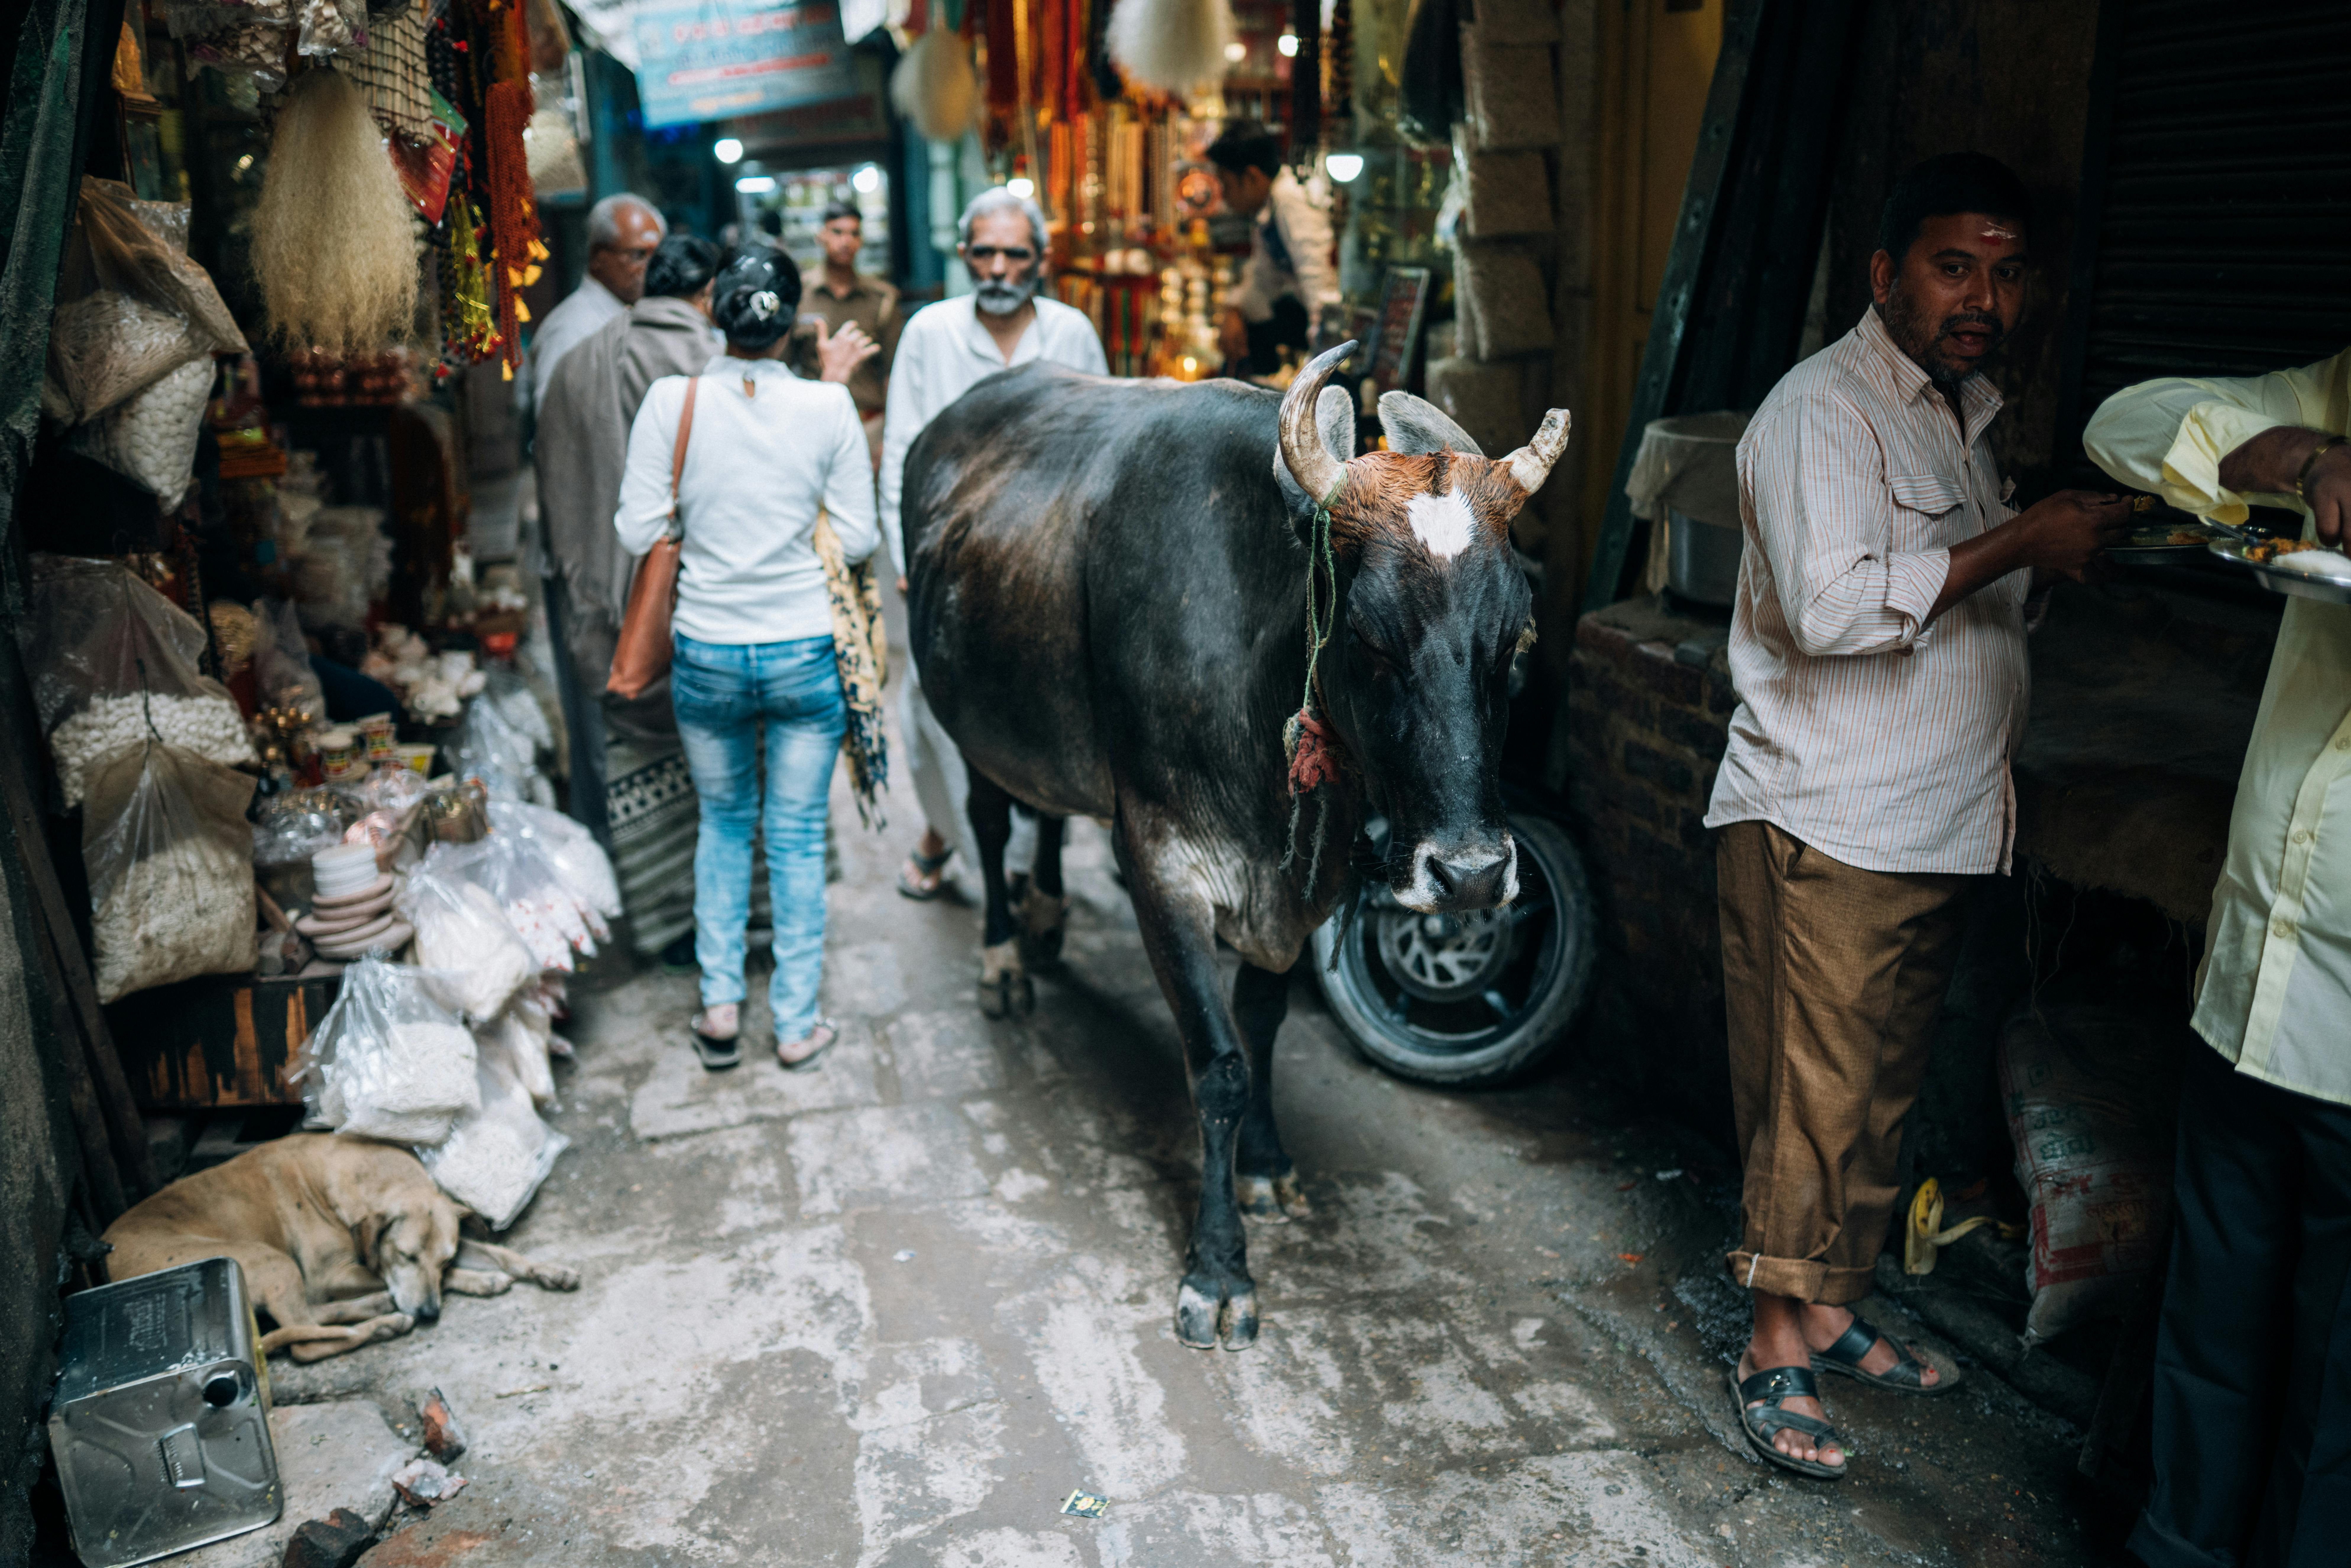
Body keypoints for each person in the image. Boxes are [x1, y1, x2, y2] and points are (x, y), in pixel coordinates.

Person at [1702, 153, 2131, 1478]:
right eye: (1954, 267)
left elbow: (1960, 604)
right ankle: (1773, 1349)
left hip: (1929, 821)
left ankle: (1831, 1311)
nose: (1982, 299)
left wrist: (2042, 559)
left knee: (1875, 1097)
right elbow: (1836, 613)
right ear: (1884, 274)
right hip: (1823, 821)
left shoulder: (1955, 414)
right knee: (1810, 1104)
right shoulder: (1816, 414)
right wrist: (2017, 543)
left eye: (2005, 275)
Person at [2086, 355, 2351, 1567]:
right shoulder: (2338, 391)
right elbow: (2118, 424)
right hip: (2251, 988)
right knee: (2208, 1336)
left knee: (2332, 1406)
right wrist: (2298, 459)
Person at [614, 247, 881, 1071]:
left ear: (711, 313)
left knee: (724, 826)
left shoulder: (673, 401)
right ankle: (796, 1026)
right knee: (797, 836)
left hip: (708, 653)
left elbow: (637, 530)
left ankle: (721, 1008)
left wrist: (706, 527)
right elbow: (863, 537)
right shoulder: (828, 410)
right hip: (806, 650)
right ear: (795, 322)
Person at [878, 187, 1106, 900]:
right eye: (986, 253)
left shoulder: (1070, 332)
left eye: (1015, 254)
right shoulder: (930, 333)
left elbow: (1105, 448)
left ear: (1041, 260)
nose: (999, 268)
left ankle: (1039, 862)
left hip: (1049, 565)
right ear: (965, 255)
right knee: (936, 709)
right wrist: (910, 558)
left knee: (1050, 704)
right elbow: (902, 456)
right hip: (950, 565)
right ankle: (946, 834)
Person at [535, 233, 723, 965]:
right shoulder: (713, 363)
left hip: (612, 620)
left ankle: (668, 921)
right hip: (704, 612)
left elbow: (555, 483)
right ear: (705, 296)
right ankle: (732, 923)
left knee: (643, 771)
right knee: (727, 779)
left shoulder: (577, 359)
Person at [1204, 120, 1339, 376]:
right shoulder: (1271, 207)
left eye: (1227, 184)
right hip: (1307, 312)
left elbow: (1319, 281)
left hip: (1332, 322)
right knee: (1249, 321)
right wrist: (1234, 310)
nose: (1224, 195)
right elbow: (1263, 278)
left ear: (1252, 177)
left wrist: (1322, 365)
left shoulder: (1291, 203)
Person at [527, 194, 665, 413]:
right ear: (599, 257)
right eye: (638, 255)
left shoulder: (636, 314)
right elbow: (554, 418)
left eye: (656, 256)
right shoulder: (571, 328)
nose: (650, 268)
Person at [798, 202, 901, 462]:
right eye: (838, 232)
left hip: (869, 423)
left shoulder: (882, 298)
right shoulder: (800, 295)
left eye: (854, 234)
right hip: (812, 422)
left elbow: (894, 372)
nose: (847, 241)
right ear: (821, 236)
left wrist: (893, 435)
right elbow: (783, 365)